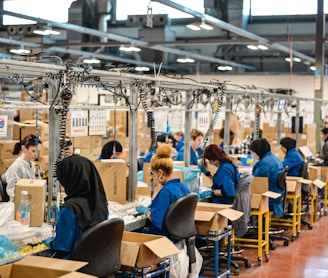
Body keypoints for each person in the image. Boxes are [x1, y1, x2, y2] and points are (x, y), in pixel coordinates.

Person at [51, 155, 108, 259]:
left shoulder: (70, 210)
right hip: (98, 265)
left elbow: (62, 248)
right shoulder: (101, 203)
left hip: (73, 268)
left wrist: (51, 243)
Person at [136, 144, 190, 237]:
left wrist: (146, 211)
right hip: (180, 234)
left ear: (160, 172)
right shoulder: (182, 187)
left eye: (153, 174)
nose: (154, 179)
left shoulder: (165, 192)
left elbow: (156, 219)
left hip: (165, 236)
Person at [249, 138, 284, 216]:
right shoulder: (274, 158)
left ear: (258, 151)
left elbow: (256, 183)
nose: (253, 156)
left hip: (269, 197)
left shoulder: (264, 164)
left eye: (253, 153)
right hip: (277, 194)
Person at [5, 134, 42, 202]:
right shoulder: (16, 167)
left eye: (38, 151)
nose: (36, 154)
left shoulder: (33, 164)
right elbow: (12, 191)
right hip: (20, 205)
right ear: (24, 148)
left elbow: (39, 184)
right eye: (33, 151)